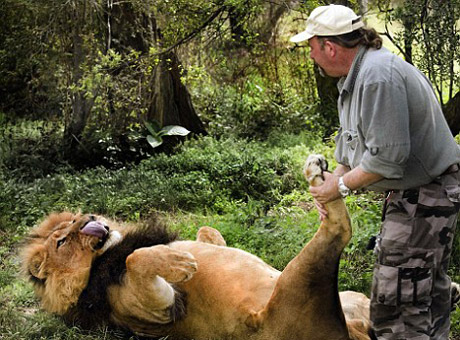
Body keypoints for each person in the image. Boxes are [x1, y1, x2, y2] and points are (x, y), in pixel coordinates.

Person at [290, 4, 460, 340]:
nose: (310, 54)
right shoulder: (353, 80)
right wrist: (330, 187)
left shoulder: (377, 77)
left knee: (394, 304)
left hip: (428, 195)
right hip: (414, 194)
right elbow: (350, 156)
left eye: (311, 46)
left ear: (329, 46)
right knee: (423, 290)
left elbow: (387, 161)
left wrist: (338, 188)